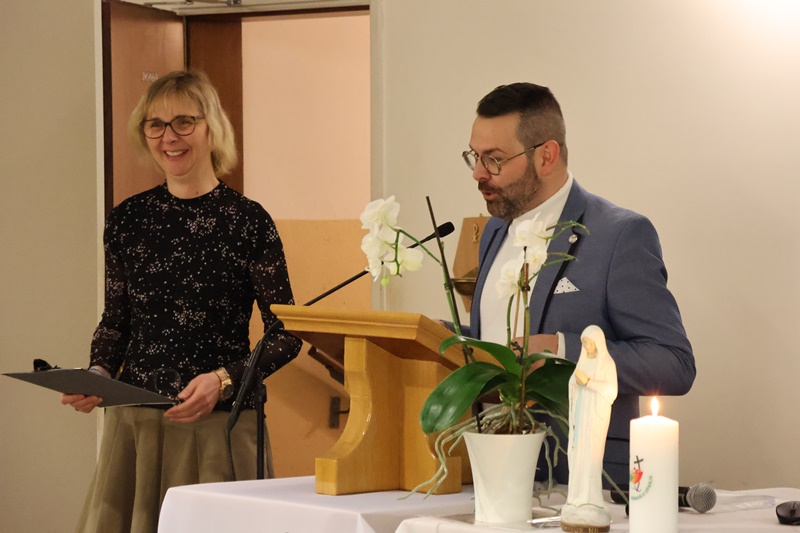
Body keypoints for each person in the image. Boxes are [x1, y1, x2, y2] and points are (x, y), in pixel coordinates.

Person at [61, 70, 302, 533]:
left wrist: (223, 380)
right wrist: (98, 373)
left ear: (212, 128)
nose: (169, 137)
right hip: (134, 427)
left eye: (184, 122)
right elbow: (116, 320)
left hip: (218, 425)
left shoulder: (248, 221)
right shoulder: (128, 220)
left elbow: (287, 333)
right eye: (156, 124)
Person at [461, 82, 695, 486]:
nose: (479, 173)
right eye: (474, 157)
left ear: (546, 156)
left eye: (494, 159)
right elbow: (502, 344)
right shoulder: (494, 232)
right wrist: (444, 337)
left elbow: (673, 363)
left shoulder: (618, 235)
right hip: (488, 475)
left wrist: (563, 350)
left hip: (582, 481)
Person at [562, 325, 618, 530]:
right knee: (577, 457)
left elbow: (611, 392)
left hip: (595, 418)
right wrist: (576, 382)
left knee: (591, 458)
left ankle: (591, 499)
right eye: (584, 343)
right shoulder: (583, 361)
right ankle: (576, 497)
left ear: (598, 343)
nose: (586, 347)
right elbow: (573, 383)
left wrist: (588, 382)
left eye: (590, 343)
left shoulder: (607, 364)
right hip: (580, 418)